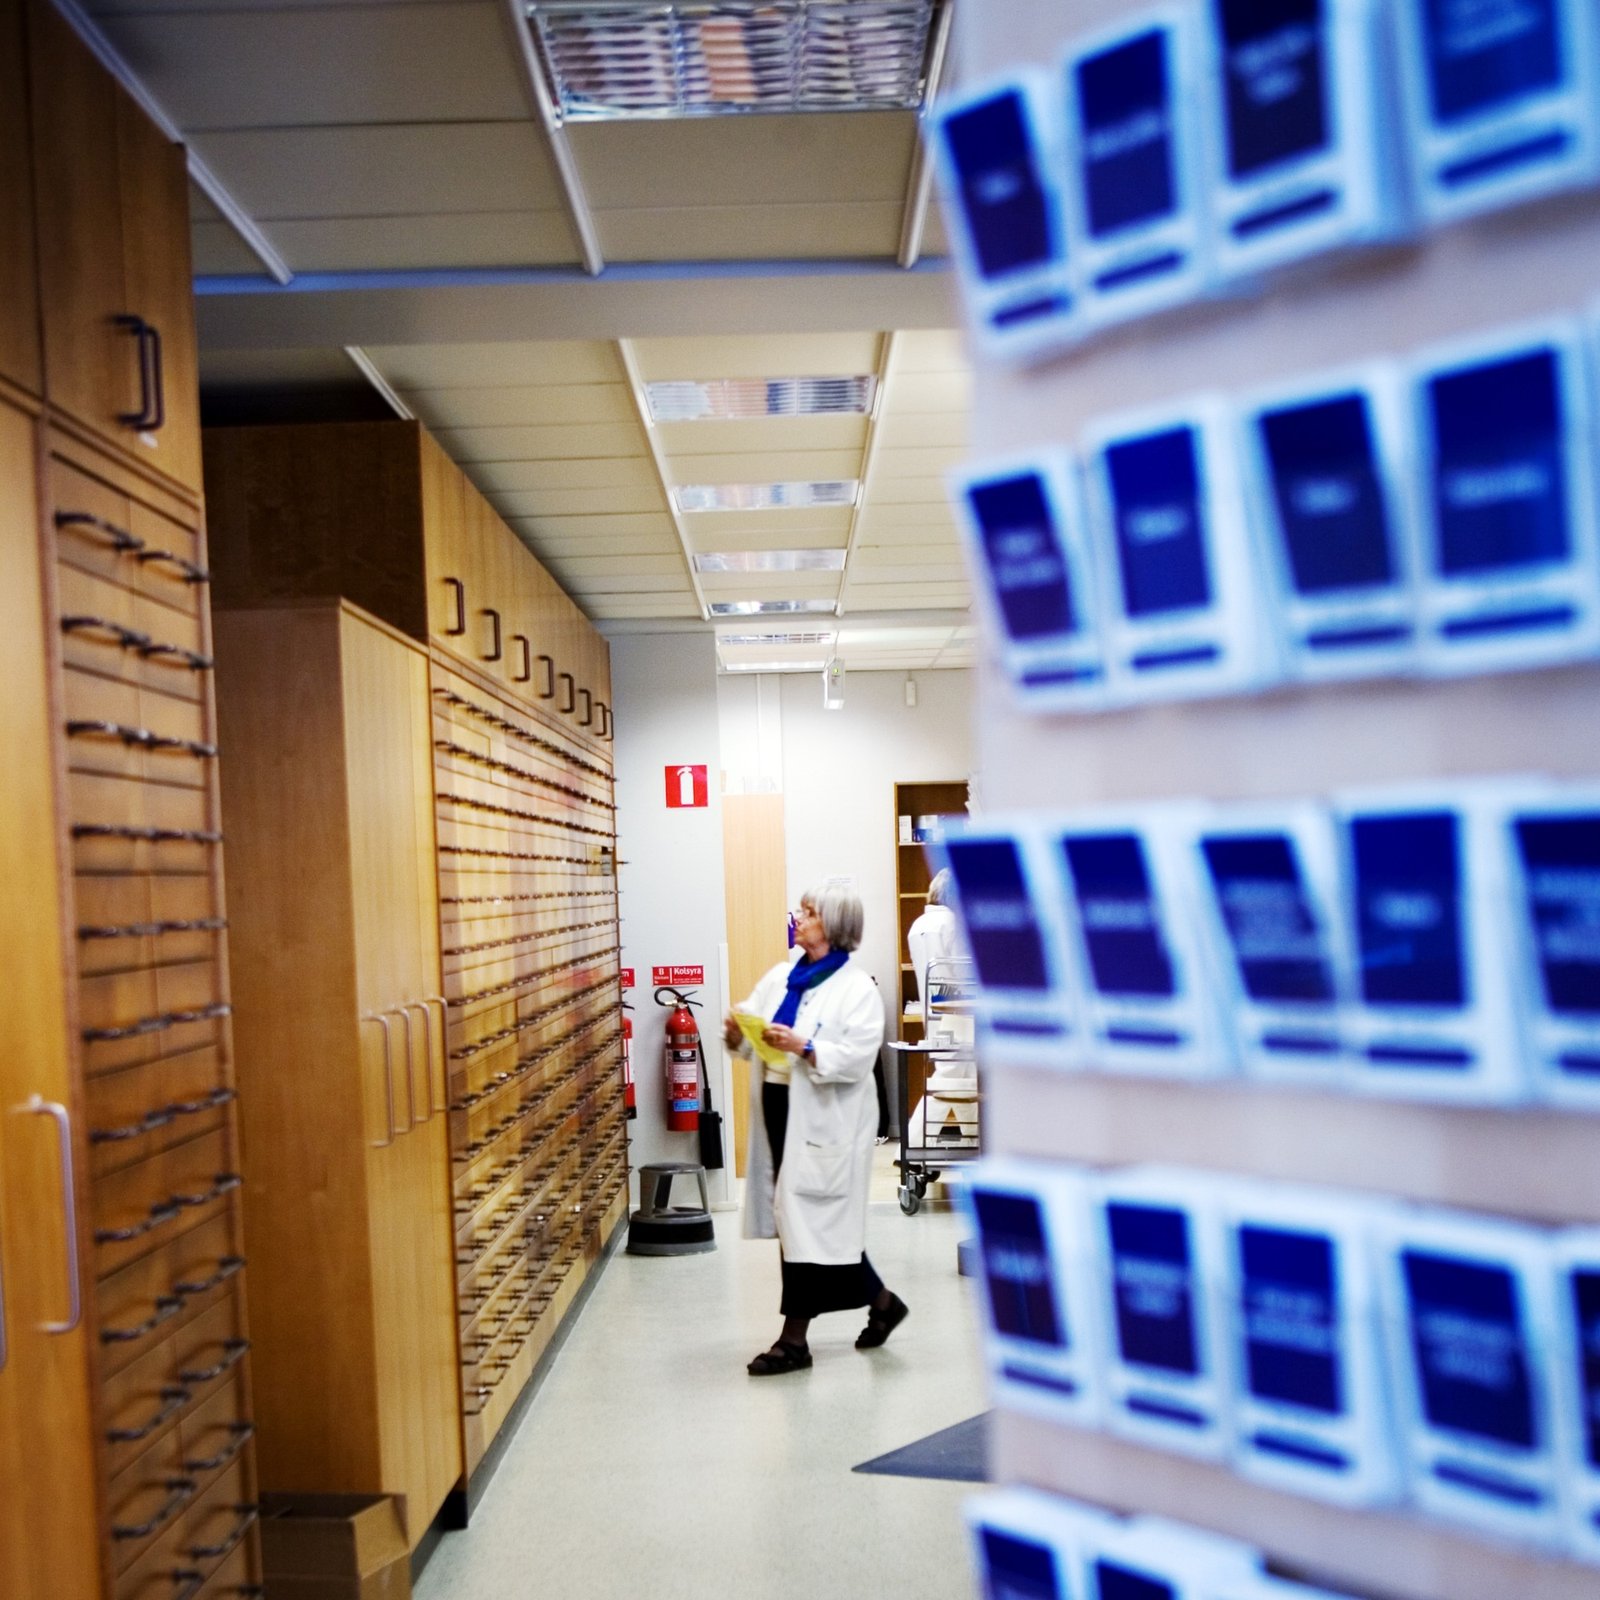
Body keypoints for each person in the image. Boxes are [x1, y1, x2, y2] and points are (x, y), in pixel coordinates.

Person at [723, 883, 907, 1375]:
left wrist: (804, 1046)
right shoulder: (783, 976)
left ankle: (794, 1341)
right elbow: (752, 1030)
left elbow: (857, 1058)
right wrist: (738, 1033)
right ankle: (883, 1302)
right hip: (781, 1109)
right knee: (802, 1221)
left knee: (805, 1223)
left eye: (809, 913)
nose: (799, 919)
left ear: (835, 926)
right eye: (801, 911)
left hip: (829, 1122)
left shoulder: (856, 990)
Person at [906, 868, 963, 1019]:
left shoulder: (917, 925)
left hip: (930, 1014)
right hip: (958, 1014)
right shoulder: (954, 923)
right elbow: (964, 972)